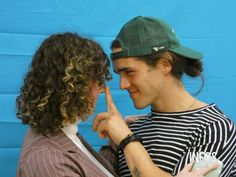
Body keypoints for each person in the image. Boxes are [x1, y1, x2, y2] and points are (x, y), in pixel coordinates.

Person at [93, 16, 236, 177]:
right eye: (119, 74)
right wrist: (116, 139)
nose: (122, 85)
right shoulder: (132, 129)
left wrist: (126, 140)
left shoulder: (214, 129)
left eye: (130, 72)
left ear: (165, 64)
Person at [16, 32, 119, 177]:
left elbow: (95, 169)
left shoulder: (62, 131)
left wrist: (117, 141)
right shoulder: (50, 162)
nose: (101, 89)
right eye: (96, 81)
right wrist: (130, 142)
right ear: (74, 88)